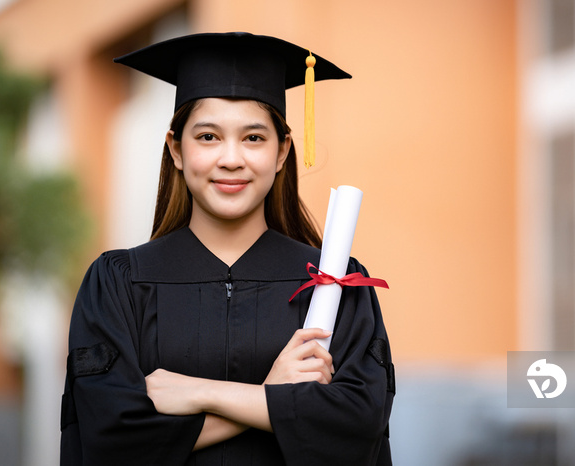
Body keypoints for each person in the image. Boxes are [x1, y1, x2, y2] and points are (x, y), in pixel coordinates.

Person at [59, 32, 395, 466]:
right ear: (176, 149)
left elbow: (358, 426)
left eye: (254, 138)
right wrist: (272, 399)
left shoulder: (336, 283)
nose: (231, 158)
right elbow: (110, 438)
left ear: (282, 152)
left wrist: (202, 393)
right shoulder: (119, 283)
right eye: (208, 137)